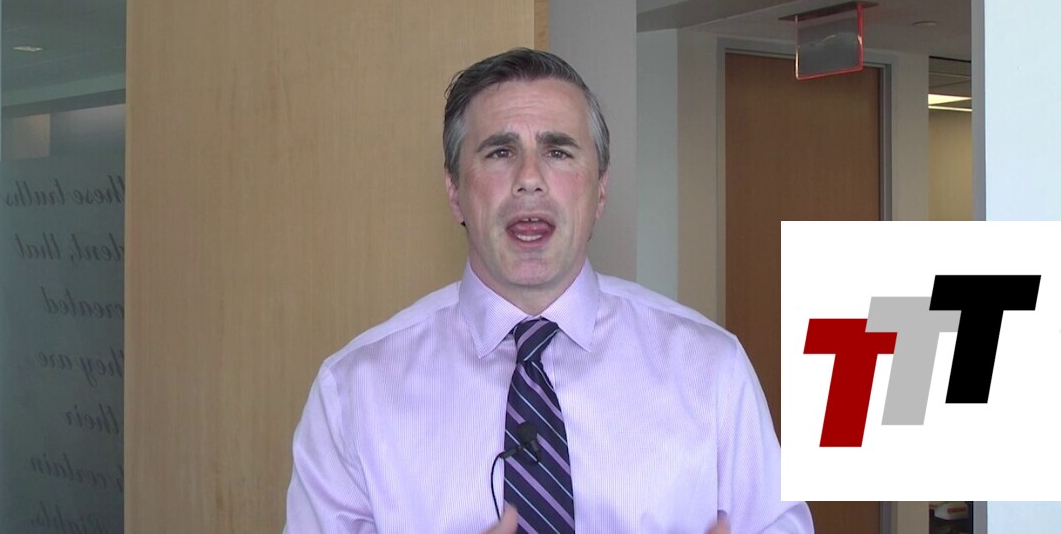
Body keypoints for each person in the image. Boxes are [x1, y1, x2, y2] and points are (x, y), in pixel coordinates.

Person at [284, 48, 814, 533]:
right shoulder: (353, 392)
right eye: (500, 152)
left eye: (558, 152)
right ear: (455, 192)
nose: (530, 178)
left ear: (600, 190)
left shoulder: (711, 369)